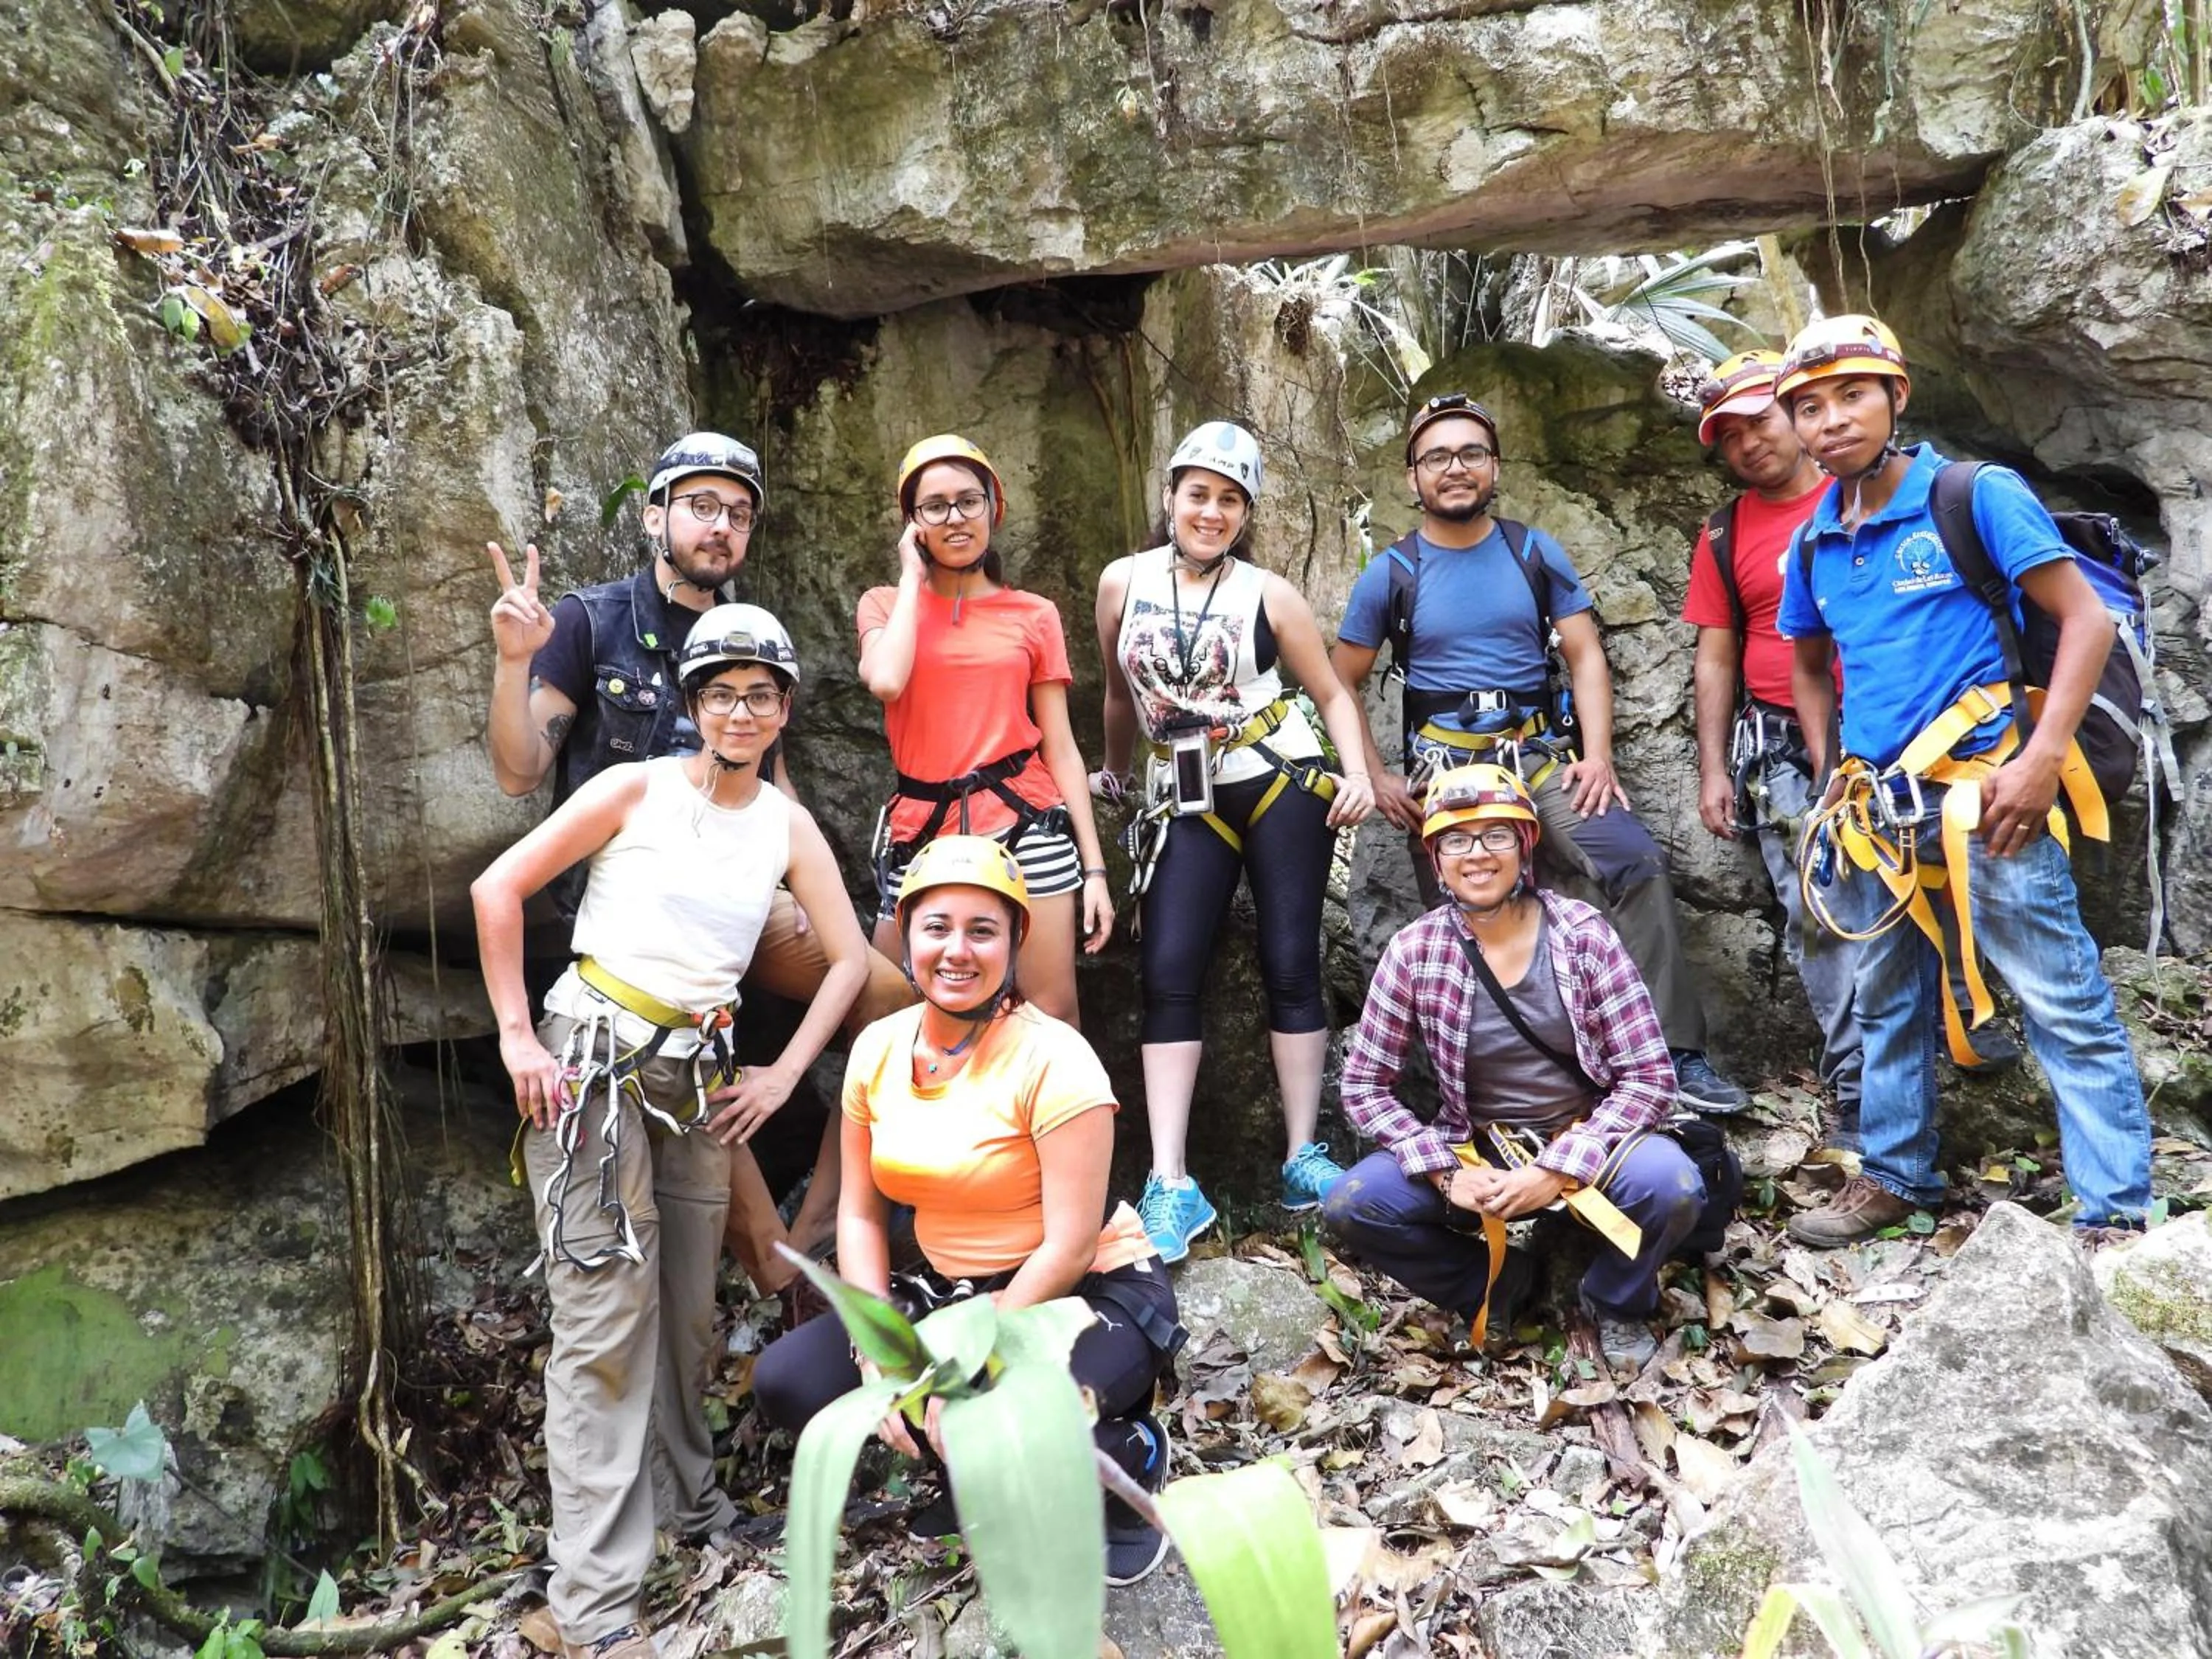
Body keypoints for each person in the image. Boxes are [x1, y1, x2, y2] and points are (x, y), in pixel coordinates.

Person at [473, 606, 872, 1659]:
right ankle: (595, 1606)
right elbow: (497, 887)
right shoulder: (634, 786)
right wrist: (518, 1035)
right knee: (606, 1317)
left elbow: (846, 960)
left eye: (761, 694)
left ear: (784, 709)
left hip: (697, 1075)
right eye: (721, 693)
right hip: (592, 1060)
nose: (741, 711)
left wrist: (786, 1074)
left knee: (689, 1306)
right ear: (693, 706)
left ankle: (689, 1509)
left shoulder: (785, 823)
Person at [484, 431, 912, 1308]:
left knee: (893, 1002)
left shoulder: (752, 641)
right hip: (631, 924)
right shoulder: (593, 621)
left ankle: (833, 1220)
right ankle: (788, 1285)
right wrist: (514, 660)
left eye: (740, 515)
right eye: (703, 507)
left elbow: (779, 798)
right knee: (731, 1176)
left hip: (741, 911)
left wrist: (809, 908)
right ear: (656, 517)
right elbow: (519, 771)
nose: (722, 528)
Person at [1770, 313, 2152, 1247]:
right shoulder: (1817, 539)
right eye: (1809, 408)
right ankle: (1898, 1175)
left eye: (1851, 395)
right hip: (1875, 807)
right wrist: (1829, 773)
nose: (1831, 422)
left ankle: (2114, 1210)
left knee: (2059, 990)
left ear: (1895, 396)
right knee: (1887, 995)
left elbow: (2087, 619)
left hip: (1987, 795)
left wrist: (2041, 759)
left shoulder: (1971, 494)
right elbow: (1809, 662)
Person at [751, 836, 1185, 1586]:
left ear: (1017, 941)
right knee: (790, 1380)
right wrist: (879, 1340)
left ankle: (1129, 1455)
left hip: (1079, 1291)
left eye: (982, 930)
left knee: (996, 1408)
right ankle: (975, 1477)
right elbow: (858, 1214)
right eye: (936, 927)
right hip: (956, 1292)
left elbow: (1072, 1242)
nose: (957, 950)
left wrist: (970, 1364)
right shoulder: (879, 1049)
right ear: (907, 936)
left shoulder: (1055, 1057)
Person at [1329, 393, 1747, 1116]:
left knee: (1633, 862)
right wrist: (1374, 774)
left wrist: (1598, 756)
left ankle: (1673, 1056)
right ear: (1412, 478)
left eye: (1470, 454)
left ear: (1493, 467)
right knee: (1472, 912)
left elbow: (1584, 656)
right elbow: (1342, 678)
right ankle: (1491, 1094)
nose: (1454, 469)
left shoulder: (1531, 551)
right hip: (1448, 773)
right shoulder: (1392, 572)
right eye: (1436, 457)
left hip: (1539, 760)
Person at [1090, 420, 1377, 1261]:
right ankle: (1171, 1181)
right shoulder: (1122, 582)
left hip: (1276, 772)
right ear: (1171, 497)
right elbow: (1116, 694)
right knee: (1169, 967)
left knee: (1293, 957)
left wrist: (1355, 771)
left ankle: (1301, 1156)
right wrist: (1114, 773)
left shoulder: (1267, 593)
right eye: (1198, 495)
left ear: (1244, 512)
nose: (1210, 513)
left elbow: (1329, 692)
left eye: (1228, 500)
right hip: (1181, 784)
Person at [1322, 765, 1704, 1369]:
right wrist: (1444, 1171)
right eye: (1457, 840)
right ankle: (1500, 1285)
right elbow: (1365, 1085)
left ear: (1526, 846)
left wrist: (1558, 1168)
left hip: (1591, 1135)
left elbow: (1650, 1077)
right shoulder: (1416, 951)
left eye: (1497, 835)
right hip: (1480, 1147)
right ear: (1436, 857)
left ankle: (1616, 1299)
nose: (1477, 855)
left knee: (1673, 1187)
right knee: (1354, 1202)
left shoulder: (1581, 934)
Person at [858, 434, 1115, 1022]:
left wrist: (1095, 870)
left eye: (969, 501)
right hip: (922, 831)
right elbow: (887, 681)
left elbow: (1062, 748)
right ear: (912, 522)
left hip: (1028, 824)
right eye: (935, 506)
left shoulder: (1033, 614)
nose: (955, 518)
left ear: (993, 508)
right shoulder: (883, 605)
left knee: (1050, 1014)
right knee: (881, 1019)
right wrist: (909, 580)